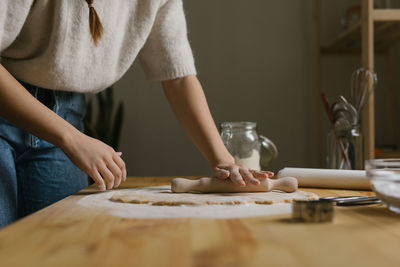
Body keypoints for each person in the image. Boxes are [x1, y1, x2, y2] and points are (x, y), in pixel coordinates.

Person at [0, 0, 272, 228]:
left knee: (58, 247)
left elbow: (178, 78)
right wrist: (71, 138)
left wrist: (223, 160)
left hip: (67, 114)